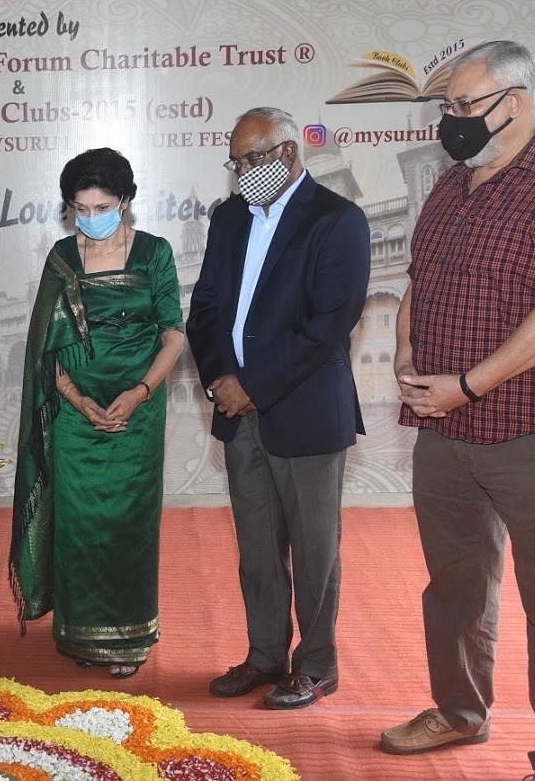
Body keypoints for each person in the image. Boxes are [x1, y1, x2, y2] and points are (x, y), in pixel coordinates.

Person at [380, 41, 535, 781]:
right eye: (445, 107)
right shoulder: (453, 185)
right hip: (446, 424)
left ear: (513, 101)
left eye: (462, 106)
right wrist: (405, 350)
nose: (450, 121)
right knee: (454, 582)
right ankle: (458, 711)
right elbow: (420, 279)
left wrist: (470, 383)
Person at [186, 107, 370, 709]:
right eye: (234, 162)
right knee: (257, 547)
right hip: (238, 410)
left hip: (305, 408)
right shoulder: (230, 217)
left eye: (251, 160)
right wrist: (220, 378)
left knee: (316, 550)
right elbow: (207, 305)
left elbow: (328, 326)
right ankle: (265, 655)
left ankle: (316, 665)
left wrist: (254, 385)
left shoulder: (336, 220)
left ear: (287, 155)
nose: (240, 173)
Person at [11, 148, 185, 678]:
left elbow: (174, 333)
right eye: (80, 208)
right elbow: (45, 347)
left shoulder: (154, 253)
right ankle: (82, 633)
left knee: (128, 524)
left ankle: (129, 636)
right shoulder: (62, 257)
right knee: (81, 525)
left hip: (137, 414)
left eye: (102, 205)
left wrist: (138, 392)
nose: (91, 218)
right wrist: (77, 399)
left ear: (126, 202)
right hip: (74, 417)